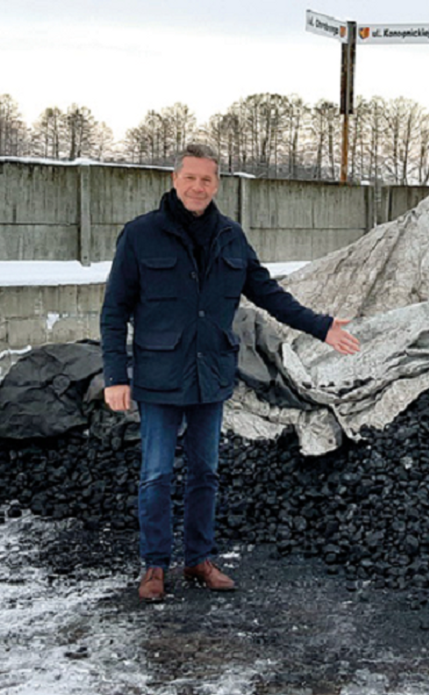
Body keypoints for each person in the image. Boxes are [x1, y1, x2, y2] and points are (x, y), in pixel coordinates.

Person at [100, 143, 360, 602]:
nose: (198, 187)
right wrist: (115, 375)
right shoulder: (141, 235)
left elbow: (268, 293)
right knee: (156, 474)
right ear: (175, 180)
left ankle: (198, 559)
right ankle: (154, 565)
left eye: (207, 179)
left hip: (211, 374)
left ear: (217, 184)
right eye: (190, 178)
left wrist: (321, 326)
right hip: (159, 376)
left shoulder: (230, 236)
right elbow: (114, 310)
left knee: (205, 473)